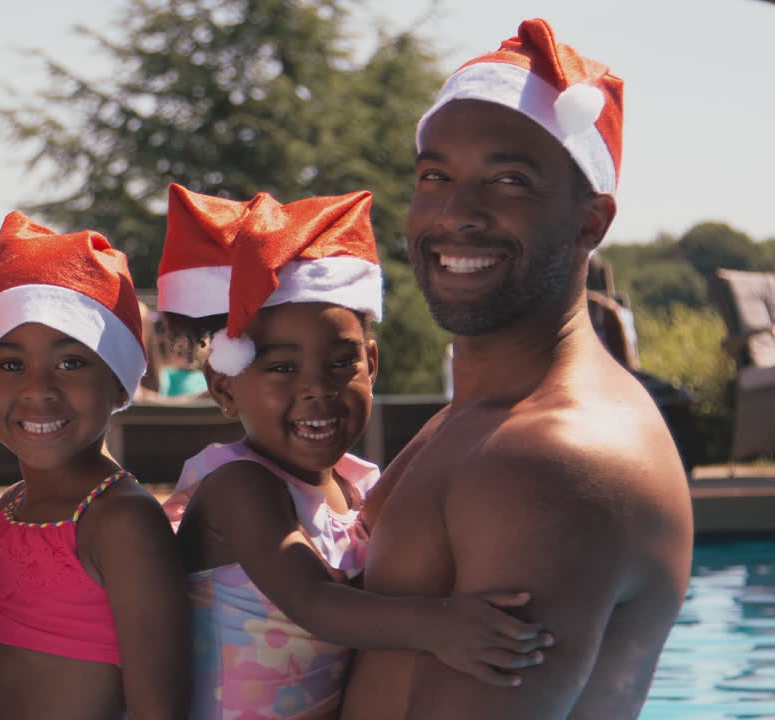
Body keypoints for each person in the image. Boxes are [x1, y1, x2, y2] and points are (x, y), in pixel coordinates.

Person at [341, 19, 694, 719]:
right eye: (435, 176)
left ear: (589, 222)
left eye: (509, 180)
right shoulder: (479, 419)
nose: (455, 213)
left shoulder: (546, 458)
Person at [155, 184, 552, 719]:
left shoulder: (358, 484)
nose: (317, 387)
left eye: (342, 363)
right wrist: (443, 626)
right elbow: (317, 603)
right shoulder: (239, 487)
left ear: (372, 363)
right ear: (225, 387)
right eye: (281, 368)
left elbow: (437, 454)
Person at [0, 211, 190, 719]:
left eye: (71, 362)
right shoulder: (13, 505)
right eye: (10, 364)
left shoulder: (120, 521)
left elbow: (161, 709)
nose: (38, 388)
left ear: (118, 382)